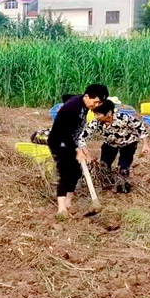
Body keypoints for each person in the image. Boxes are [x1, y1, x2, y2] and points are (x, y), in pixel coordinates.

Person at [48, 84, 108, 216]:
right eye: (95, 101)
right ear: (87, 96)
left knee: (75, 172)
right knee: (65, 172)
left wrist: (81, 147)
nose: (96, 105)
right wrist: (77, 149)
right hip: (60, 142)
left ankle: (69, 202)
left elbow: (67, 97)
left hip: (71, 141)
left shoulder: (84, 104)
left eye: (99, 102)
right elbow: (64, 134)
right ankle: (61, 209)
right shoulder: (72, 109)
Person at [78, 99, 150, 193]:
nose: (96, 117)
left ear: (108, 113)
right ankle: (107, 184)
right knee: (104, 165)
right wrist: (86, 153)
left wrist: (145, 145)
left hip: (128, 143)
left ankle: (123, 187)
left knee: (123, 167)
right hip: (110, 144)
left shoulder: (124, 118)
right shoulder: (95, 122)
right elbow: (82, 137)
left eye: (98, 114)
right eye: (95, 114)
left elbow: (140, 127)